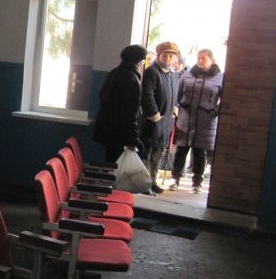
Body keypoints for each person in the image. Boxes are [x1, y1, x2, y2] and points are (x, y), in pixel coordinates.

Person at [169, 49, 223, 193]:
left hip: (206, 121)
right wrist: (177, 108)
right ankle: (175, 178)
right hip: (185, 119)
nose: (200, 61)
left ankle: (197, 182)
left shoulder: (220, 77)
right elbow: (177, 94)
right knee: (181, 150)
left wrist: (214, 111)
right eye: (198, 58)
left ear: (212, 60)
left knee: (200, 152)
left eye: (203, 58)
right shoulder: (187, 75)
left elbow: (225, 99)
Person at [93, 44, 147, 162]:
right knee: (119, 167)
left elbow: (102, 97)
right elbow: (129, 112)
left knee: (112, 161)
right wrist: (133, 140)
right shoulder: (131, 78)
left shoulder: (115, 72)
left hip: (110, 132)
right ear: (139, 61)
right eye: (143, 62)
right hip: (120, 135)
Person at [140, 41, 180, 195]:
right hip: (154, 122)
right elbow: (147, 95)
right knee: (148, 153)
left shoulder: (173, 74)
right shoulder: (152, 72)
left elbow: (175, 95)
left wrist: (175, 108)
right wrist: (154, 114)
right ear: (159, 55)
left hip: (167, 121)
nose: (168, 58)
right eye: (165, 55)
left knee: (158, 154)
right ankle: (144, 184)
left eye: (171, 56)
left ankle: (153, 181)